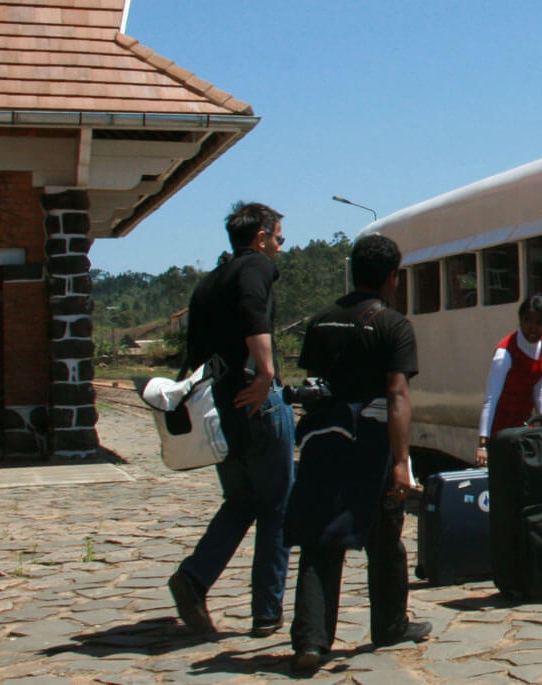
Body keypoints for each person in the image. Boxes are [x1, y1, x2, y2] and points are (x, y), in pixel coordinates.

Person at [285, 234, 430, 671]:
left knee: (319, 541)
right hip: (371, 444)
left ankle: (311, 642)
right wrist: (402, 462)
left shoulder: (322, 320)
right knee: (385, 534)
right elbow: (397, 394)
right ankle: (389, 624)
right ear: (392, 277)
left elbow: (314, 384)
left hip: (323, 441)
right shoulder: (393, 324)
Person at [170, 201, 295, 638]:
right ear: (260, 238)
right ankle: (266, 612)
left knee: (241, 502)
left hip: (220, 411)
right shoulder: (254, 269)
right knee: (278, 506)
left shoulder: (208, 282)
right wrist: (266, 374)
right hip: (255, 402)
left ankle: (194, 577)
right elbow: (252, 312)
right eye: (278, 238)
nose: (280, 247)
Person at [476, 295, 542, 463]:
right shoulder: (505, 353)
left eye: (539, 323)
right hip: (502, 431)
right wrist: (483, 444)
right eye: (527, 321)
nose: (532, 328)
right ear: (520, 320)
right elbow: (491, 399)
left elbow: (538, 388)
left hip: (525, 428)